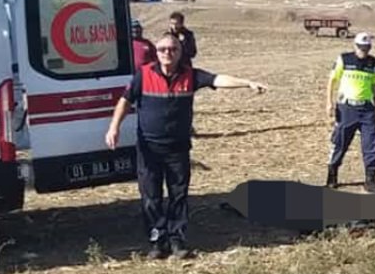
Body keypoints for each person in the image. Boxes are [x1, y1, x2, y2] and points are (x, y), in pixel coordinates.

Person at [104, 34, 267, 259]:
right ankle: (157, 240)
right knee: (150, 196)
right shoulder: (144, 74)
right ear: (157, 52)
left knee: (177, 195)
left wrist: (246, 83)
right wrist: (114, 127)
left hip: (177, 148)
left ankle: (177, 240)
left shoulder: (191, 75)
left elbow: (217, 79)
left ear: (180, 52)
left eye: (172, 49)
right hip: (149, 148)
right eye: (162, 49)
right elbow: (125, 100)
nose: (167, 53)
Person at [325, 32, 375, 193]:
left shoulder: (372, 62)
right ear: (355, 46)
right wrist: (329, 102)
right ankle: (332, 174)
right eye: (361, 47)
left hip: (366, 109)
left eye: (367, 48)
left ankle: (370, 179)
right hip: (346, 108)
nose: (363, 51)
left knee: (371, 143)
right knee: (340, 142)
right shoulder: (344, 59)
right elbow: (332, 80)